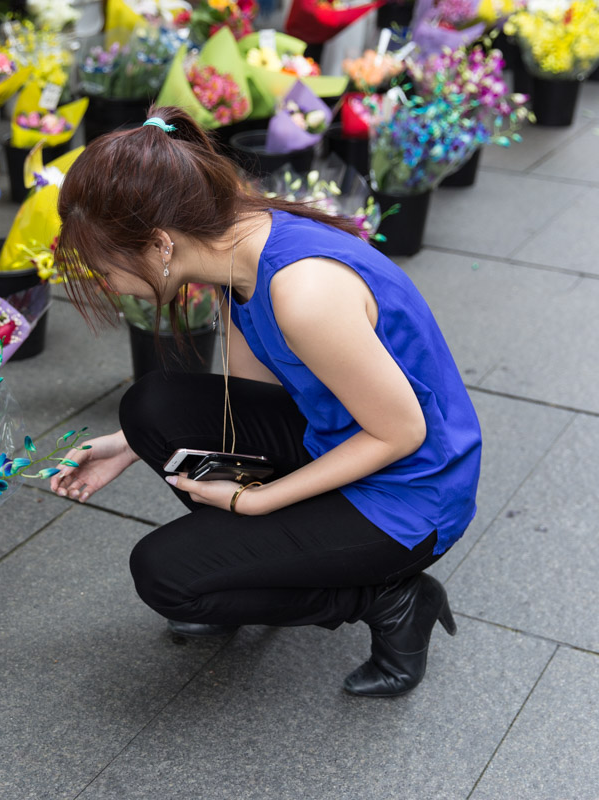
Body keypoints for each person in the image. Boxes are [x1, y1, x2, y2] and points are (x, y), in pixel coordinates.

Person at [48, 107, 481, 698]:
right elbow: (256, 396)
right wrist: (131, 446)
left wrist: (259, 503)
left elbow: (401, 433)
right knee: (150, 407)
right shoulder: (236, 242)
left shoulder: (304, 292)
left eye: (105, 269)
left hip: (410, 494)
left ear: (159, 243)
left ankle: (391, 598)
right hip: (339, 436)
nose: (107, 285)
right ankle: (251, 566)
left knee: (165, 576)